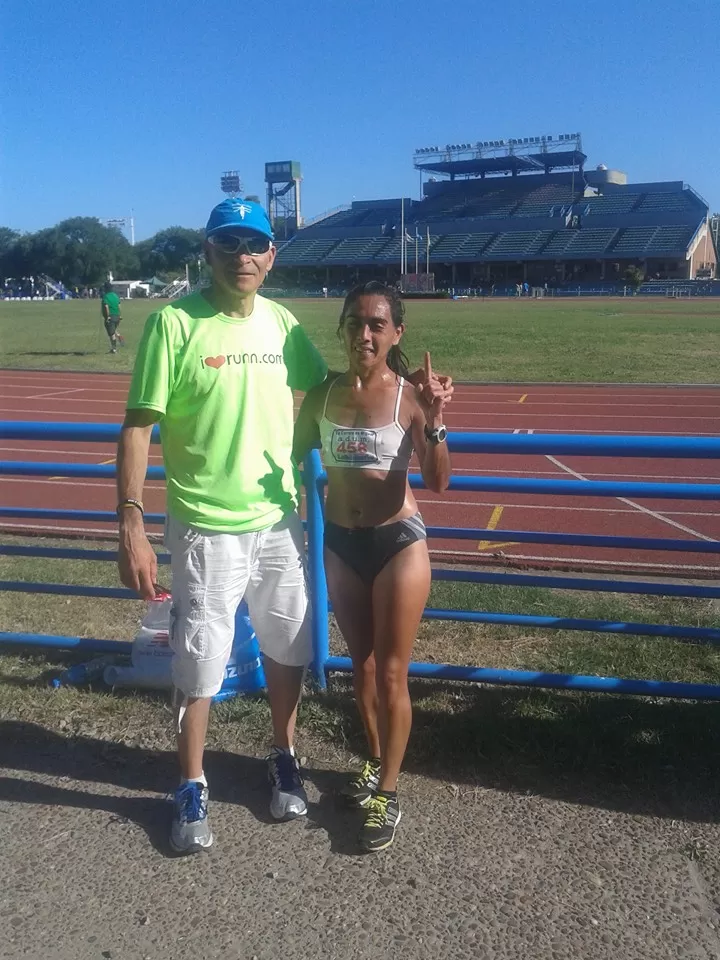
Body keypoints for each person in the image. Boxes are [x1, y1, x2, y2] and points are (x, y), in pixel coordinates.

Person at [116, 200, 454, 855]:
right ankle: (191, 783)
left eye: (257, 244)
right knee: (201, 661)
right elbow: (137, 425)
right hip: (208, 525)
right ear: (209, 249)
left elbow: (343, 384)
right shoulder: (172, 325)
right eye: (230, 241)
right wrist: (130, 519)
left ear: (272, 255)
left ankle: (285, 755)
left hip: (280, 523)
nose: (244, 255)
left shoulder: (281, 324)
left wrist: (411, 391)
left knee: (289, 650)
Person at [292, 281, 452, 852]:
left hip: (398, 544)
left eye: (377, 325)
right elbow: (288, 453)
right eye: (355, 322)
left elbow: (438, 481)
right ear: (342, 327)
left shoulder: (410, 396)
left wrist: (434, 420)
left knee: (390, 673)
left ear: (396, 333)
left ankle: (388, 790)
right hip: (340, 542)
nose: (364, 333)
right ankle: (376, 759)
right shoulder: (322, 395)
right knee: (358, 670)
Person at [101, 283, 123, 353]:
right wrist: (120, 315)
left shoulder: (106, 296)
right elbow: (119, 305)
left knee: (111, 334)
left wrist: (108, 317)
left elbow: (106, 307)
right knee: (113, 329)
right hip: (117, 316)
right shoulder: (115, 296)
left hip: (111, 316)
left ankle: (114, 349)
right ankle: (119, 336)